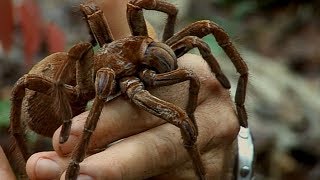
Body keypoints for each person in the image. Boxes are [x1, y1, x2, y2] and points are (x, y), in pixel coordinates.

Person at [1, 0, 240, 179]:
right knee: (32, 80)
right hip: (58, 99)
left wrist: (236, 157)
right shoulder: (102, 73)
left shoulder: (115, 10)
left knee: (202, 32)